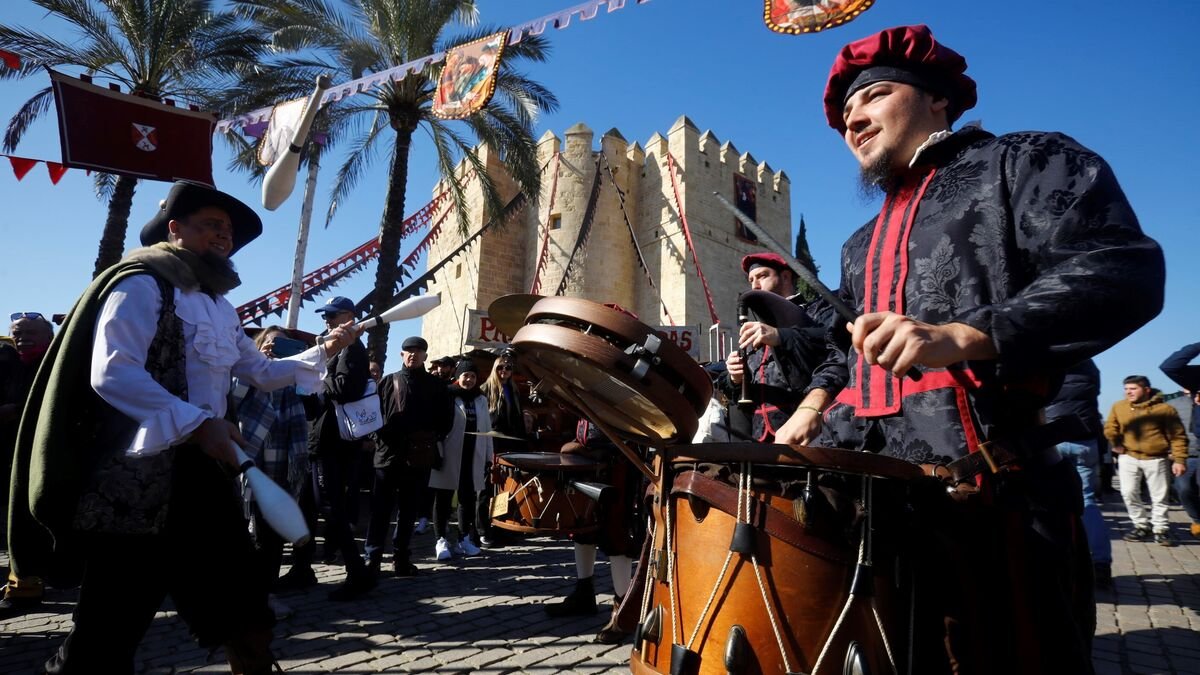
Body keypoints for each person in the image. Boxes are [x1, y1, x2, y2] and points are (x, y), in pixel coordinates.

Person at [774, 24, 1164, 674]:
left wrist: (966, 335)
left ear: (937, 99)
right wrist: (812, 404)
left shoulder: (1024, 163)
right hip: (878, 515)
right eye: (844, 114)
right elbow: (847, 352)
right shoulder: (857, 244)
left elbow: (1120, 264)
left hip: (999, 505)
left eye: (872, 95)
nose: (854, 119)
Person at [6, 181, 362, 674]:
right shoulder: (141, 284)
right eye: (211, 225)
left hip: (204, 475)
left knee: (245, 609)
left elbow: (259, 372)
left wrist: (325, 350)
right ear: (174, 229)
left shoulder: (219, 306)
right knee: (109, 628)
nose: (224, 236)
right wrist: (198, 424)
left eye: (228, 231)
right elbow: (113, 372)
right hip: (138, 482)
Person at [232, 326, 312, 620]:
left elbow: (304, 416)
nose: (274, 348)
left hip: (277, 465)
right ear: (258, 346)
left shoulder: (291, 381)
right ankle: (237, 592)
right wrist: (257, 369)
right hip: (241, 464)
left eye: (281, 345)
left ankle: (267, 593)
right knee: (237, 533)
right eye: (269, 344)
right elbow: (231, 404)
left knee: (270, 537)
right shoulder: (240, 372)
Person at [542, 417, 641, 645]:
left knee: (618, 534)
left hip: (620, 462)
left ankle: (623, 610)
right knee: (582, 527)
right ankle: (584, 594)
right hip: (589, 460)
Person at [307, 296, 376, 600]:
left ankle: (356, 570)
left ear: (350, 317)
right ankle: (302, 567)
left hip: (332, 441)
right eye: (326, 316)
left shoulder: (351, 350)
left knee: (330, 505)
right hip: (323, 437)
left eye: (334, 316)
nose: (328, 321)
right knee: (310, 503)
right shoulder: (340, 349)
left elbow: (346, 390)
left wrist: (315, 378)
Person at [366, 336, 452, 576]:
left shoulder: (436, 386)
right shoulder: (386, 382)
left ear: (425, 355)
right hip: (387, 457)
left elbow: (446, 421)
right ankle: (371, 559)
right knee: (380, 511)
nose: (412, 354)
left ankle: (401, 559)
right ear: (401, 355)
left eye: (417, 351)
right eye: (408, 351)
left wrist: (427, 438)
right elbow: (373, 416)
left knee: (408, 512)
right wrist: (378, 439)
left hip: (418, 458)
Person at [721, 252, 828, 442]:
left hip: (804, 437)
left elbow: (828, 351)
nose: (754, 286)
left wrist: (780, 336)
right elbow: (741, 394)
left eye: (762, 276)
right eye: (751, 279)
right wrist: (735, 378)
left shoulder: (817, 312)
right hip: (759, 440)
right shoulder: (755, 327)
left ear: (785, 276)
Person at [0, 311, 54, 617]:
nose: (22, 339)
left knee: (29, 524)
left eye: (30, 334)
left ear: (48, 337)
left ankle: (27, 588)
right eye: (17, 334)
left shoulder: (56, 365)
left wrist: (20, 411)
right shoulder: (5, 363)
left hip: (41, 459)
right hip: (6, 456)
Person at [1043, 360, 1113, 588]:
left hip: (1053, 437)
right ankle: (1101, 563)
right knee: (1087, 501)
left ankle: (1061, 562)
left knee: (1049, 503)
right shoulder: (1091, 370)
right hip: (1084, 439)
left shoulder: (1048, 366)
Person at [1104, 375, 1188, 545]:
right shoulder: (1119, 407)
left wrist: (1179, 460)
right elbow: (1110, 428)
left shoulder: (1165, 409)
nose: (1129, 392)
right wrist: (1116, 443)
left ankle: (1161, 529)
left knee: (1159, 496)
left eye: (1133, 389)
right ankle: (1141, 525)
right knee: (1128, 493)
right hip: (1128, 456)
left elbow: (1178, 436)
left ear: (1146, 390)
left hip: (1156, 458)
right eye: (1126, 389)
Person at [430, 360, 491, 560]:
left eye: (473, 376)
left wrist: (489, 457)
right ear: (458, 377)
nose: (469, 379)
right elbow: (437, 426)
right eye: (466, 375)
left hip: (473, 455)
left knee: (467, 499)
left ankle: (464, 538)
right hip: (449, 453)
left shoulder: (481, 399)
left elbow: (487, 430)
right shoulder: (447, 395)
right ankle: (441, 541)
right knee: (444, 500)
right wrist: (436, 450)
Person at [479, 350, 527, 547]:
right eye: (500, 367)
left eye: (508, 368)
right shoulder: (485, 390)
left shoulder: (513, 391)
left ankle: (502, 526)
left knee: (505, 489)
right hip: (492, 445)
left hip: (510, 446)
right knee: (487, 488)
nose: (504, 371)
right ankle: (483, 529)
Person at [1160, 342, 1200, 539]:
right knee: (1184, 490)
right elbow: (1170, 366)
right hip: (1191, 449)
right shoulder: (1197, 378)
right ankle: (1198, 520)